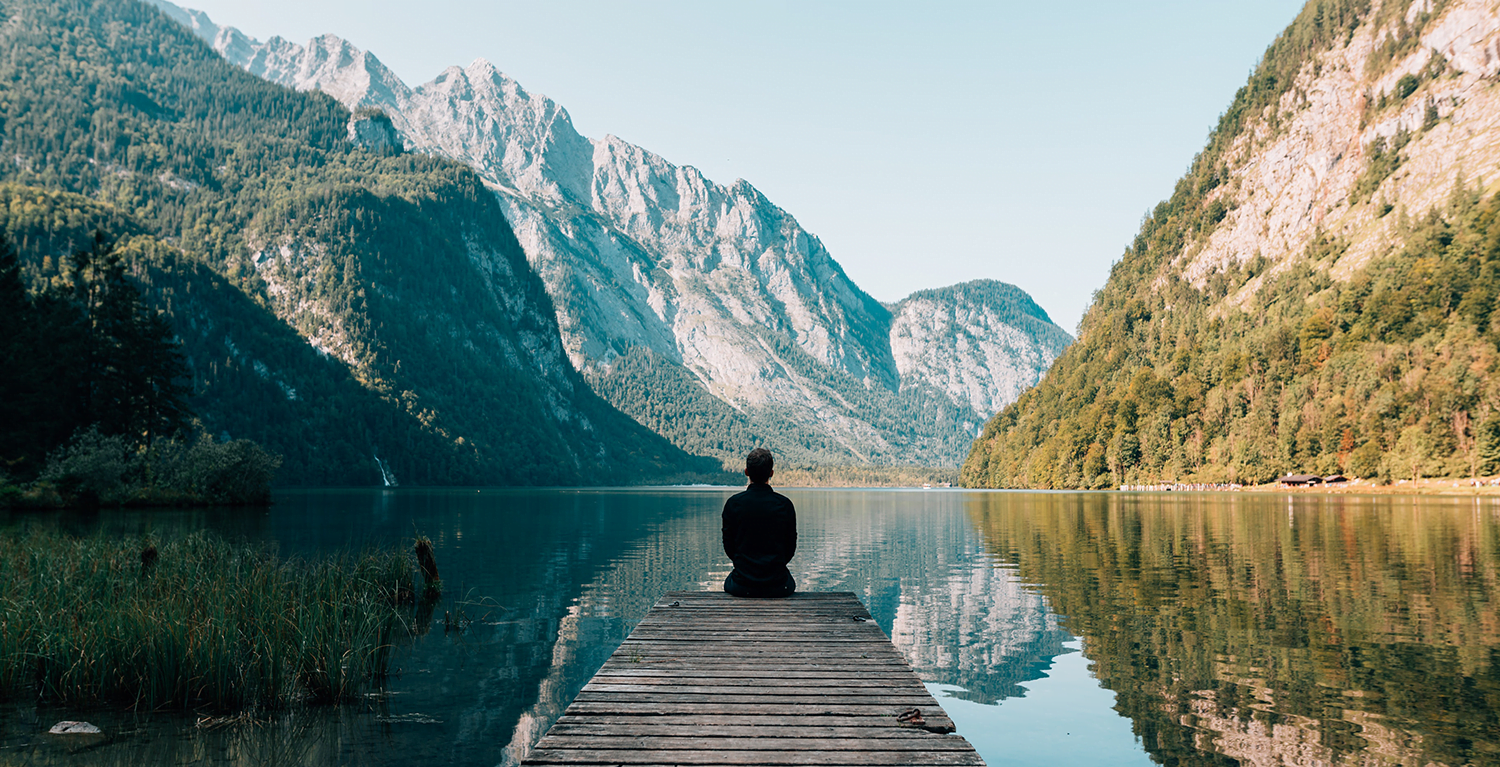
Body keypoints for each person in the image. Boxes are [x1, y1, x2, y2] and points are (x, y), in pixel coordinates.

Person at [722, 447, 797, 598]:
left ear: (746, 472)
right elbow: (790, 547)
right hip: (778, 586)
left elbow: (729, 546)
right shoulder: (784, 505)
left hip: (741, 585)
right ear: (771, 473)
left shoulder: (733, 504)